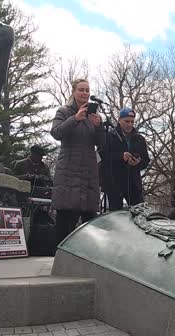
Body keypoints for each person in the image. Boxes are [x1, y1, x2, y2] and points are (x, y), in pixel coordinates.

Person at [50, 79, 104, 243]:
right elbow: (56, 132)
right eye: (81, 90)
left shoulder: (94, 116)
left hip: (88, 171)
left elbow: (101, 143)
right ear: (73, 92)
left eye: (87, 90)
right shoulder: (64, 111)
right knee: (66, 217)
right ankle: (59, 258)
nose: (85, 93)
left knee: (90, 219)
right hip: (68, 171)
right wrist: (75, 118)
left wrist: (99, 126)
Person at [99, 108, 149, 210]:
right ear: (119, 120)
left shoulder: (139, 139)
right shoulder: (109, 136)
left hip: (134, 184)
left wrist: (138, 162)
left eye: (132, 122)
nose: (129, 124)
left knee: (139, 212)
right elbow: (102, 156)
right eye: (126, 121)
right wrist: (121, 156)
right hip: (114, 183)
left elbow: (146, 160)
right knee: (115, 215)